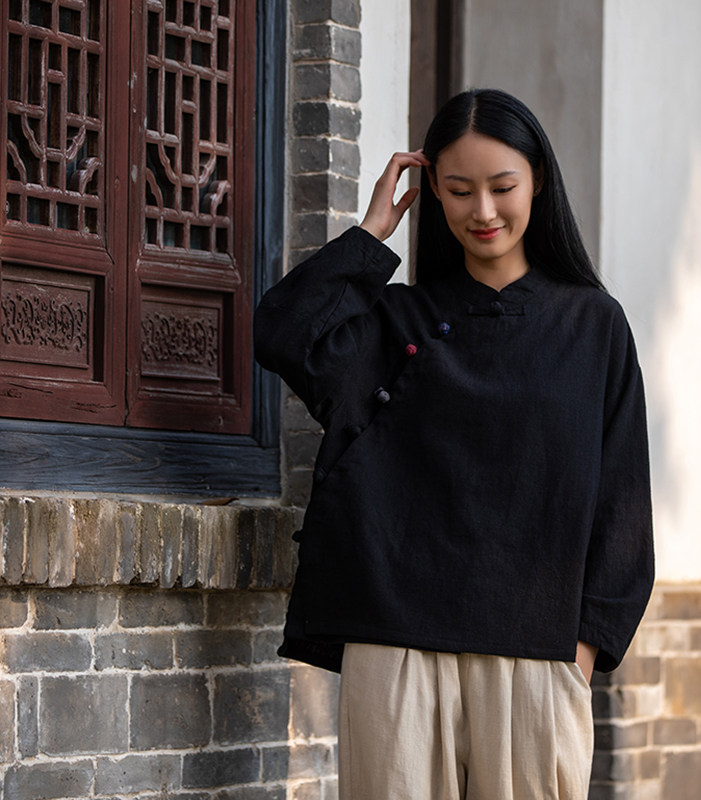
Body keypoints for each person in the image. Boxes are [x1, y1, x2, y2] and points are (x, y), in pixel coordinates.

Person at [254, 88, 654, 800]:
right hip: (395, 648)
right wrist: (370, 235)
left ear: (538, 181)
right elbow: (285, 334)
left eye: (502, 186)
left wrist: (581, 652)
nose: (484, 211)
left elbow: (623, 506)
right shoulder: (397, 321)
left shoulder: (594, 327)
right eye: (460, 190)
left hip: (537, 657)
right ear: (433, 190)